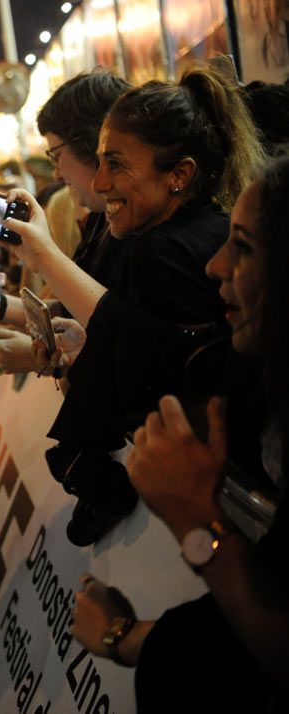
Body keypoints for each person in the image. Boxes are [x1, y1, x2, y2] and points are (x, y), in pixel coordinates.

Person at [0, 64, 263, 545]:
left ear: (179, 174)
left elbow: (163, 366)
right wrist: (85, 344)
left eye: (116, 163)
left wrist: (44, 259)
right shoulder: (191, 228)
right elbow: (152, 340)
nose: (101, 181)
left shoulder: (156, 248)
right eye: (99, 161)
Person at [70, 153, 289, 712]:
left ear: (180, 174)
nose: (215, 266)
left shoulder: (156, 252)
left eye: (242, 245)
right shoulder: (259, 385)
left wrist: (198, 521)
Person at [0, 69, 131, 374]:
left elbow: (127, 338)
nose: (56, 175)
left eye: (56, 156)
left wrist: (42, 359)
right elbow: (75, 311)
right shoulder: (101, 222)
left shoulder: (149, 234)